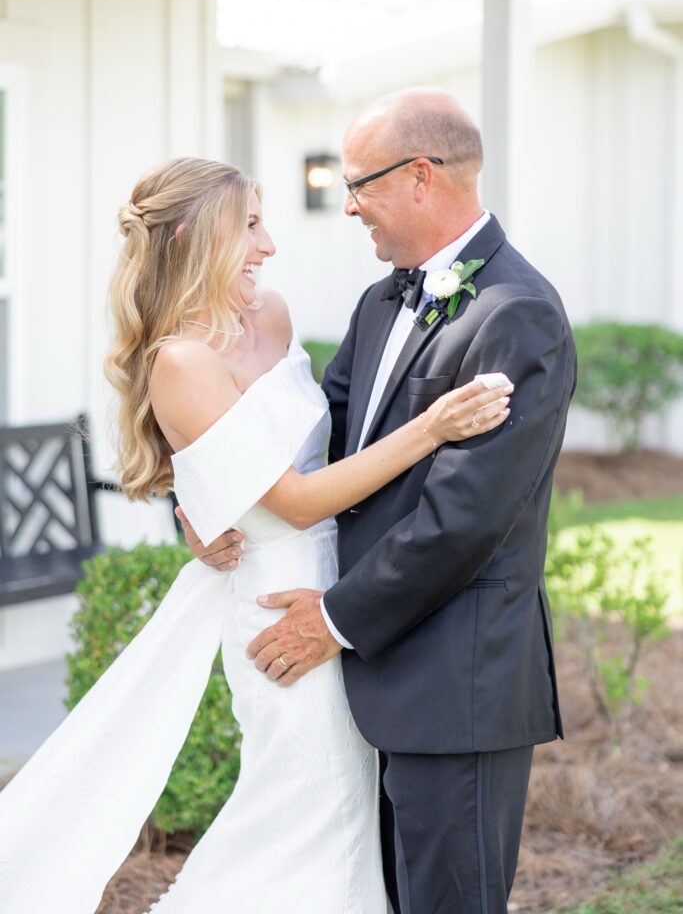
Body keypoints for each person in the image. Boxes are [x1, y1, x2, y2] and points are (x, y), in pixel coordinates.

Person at [0, 157, 512, 913]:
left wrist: (205, 504)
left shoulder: (268, 315)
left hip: (343, 589)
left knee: (346, 809)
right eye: (248, 225)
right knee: (309, 805)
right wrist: (433, 430)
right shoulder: (180, 362)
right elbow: (297, 501)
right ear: (191, 235)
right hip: (276, 608)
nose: (269, 245)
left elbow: (329, 434)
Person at [189, 89, 577, 914]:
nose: (349, 204)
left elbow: (465, 518)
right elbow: (303, 437)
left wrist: (329, 620)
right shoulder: (379, 302)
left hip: (455, 684)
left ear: (420, 177)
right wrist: (203, 500)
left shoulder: (519, 313)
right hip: (367, 682)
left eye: (355, 183)